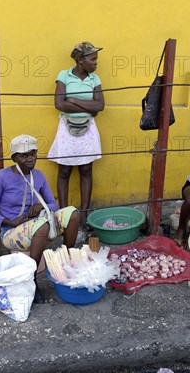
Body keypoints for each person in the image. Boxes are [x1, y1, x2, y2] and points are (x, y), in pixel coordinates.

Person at [0, 134, 80, 302]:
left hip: (37, 225)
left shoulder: (39, 175)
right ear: (14, 157)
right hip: (11, 232)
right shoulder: (2, 176)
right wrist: (9, 222)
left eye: (33, 154)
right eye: (24, 155)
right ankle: (32, 279)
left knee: (72, 214)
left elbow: (53, 204)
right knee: (42, 226)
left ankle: (67, 262)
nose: (30, 159)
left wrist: (40, 206)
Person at [47, 41, 105, 242]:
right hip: (66, 127)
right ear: (81, 61)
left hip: (88, 127)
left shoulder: (94, 78)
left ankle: (85, 215)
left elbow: (100, 106)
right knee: (64, 170)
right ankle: (64, 216)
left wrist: (73, 100)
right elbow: (59, 103)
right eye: (92, 59)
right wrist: (87, 106)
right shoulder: (63, 75)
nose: (96, 63)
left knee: (86, 169)